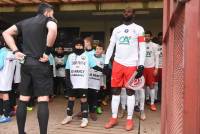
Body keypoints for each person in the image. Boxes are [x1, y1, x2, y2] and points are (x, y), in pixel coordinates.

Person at [2, 2, 57, 134]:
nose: (53, 16)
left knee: (23, 98)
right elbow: (53, 29)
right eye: (52, 13)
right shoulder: (48, 19)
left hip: (26, 63)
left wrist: (15, 51)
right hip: (40, 63)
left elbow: (6, 33)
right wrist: (47, 51)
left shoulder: (25, 22)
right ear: (48, 12)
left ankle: (21, 132)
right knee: (43, 99)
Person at [104, 7, 146, 131]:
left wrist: (141, 65)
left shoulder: (139, 29)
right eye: (124, 12)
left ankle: (129, 119)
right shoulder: (117, 30)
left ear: (133, 15)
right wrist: (106, 63)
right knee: (115, 91)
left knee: (130, 92)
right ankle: (113, 117)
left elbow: (142, 48)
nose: (126, 13)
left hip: (132, 64)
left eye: (129, 12)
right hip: (117, 63)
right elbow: (111, 46)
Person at [61, 38, 103, 128]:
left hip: (83, 83)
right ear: (74, 46)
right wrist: (68, 81)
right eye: (77, 45)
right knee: (71, 99)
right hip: (73, 82)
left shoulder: (87, 56)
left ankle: (85, 119)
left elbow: (94, 66)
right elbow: (67, 69)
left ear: (82, 46)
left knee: (83, 100)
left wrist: (104, 70)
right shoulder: (70, 56)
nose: (79, 46)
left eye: (80, 45)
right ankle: (69, 116)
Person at [88, 43, 105, 121]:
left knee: (96, 97)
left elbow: (105, 72)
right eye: (97, 49)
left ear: (103, 51)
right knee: (88, 96)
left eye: (100, 49)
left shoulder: (104, 59)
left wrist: (104, 83)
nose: (98, 50)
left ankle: (93, 111)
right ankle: (86, 110)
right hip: (88, 80)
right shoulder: (89, 57)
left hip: (98, 81)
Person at [143, 31, 159, 111]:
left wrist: (156, 68)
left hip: (151, 67)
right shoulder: (141, 45)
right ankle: (141, 103)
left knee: (151, 86)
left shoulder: (155, 45)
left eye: (148, 36)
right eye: (145, 36)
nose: (147, 37)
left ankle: (152, 103)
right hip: (142, 68)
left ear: (151, 37)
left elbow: (157, 58)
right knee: (141, 86)